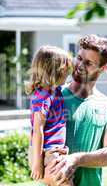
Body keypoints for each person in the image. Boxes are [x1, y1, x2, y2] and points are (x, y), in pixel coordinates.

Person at [43, 34, 107, 186]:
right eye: (79, 58)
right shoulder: (53, 97)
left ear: (103, 68)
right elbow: (35, 151)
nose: (80, 65)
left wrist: (76, 159)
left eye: (89, 63)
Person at [25, 46, 73, 185]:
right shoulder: (43, 97)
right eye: (65, 70)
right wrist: (37, 162)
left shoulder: (54, 90)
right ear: (54, 71)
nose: (68, 73)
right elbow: (37, 130)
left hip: (54, 151)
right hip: (48, 152)